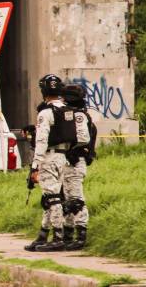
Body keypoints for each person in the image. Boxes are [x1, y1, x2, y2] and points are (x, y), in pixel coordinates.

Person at [24, 74, 87, 252]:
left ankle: (57, 236)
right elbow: (80, 137)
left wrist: (35, 165)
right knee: (53, 196)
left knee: (52, 198)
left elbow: (42, 141)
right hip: (63, 156)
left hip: (49, 156)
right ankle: (44, 234)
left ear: (43, 91)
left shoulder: (46, 112)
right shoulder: (68, 111)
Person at [61, 84, 97, 251]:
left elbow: (82, 138)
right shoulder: (75, 114)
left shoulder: (79, 116)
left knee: (76, 199)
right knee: (67, 198)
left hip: (75, 161)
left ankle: (81, 234)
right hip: (70, 161)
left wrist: (72, 149)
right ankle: (67, 234)